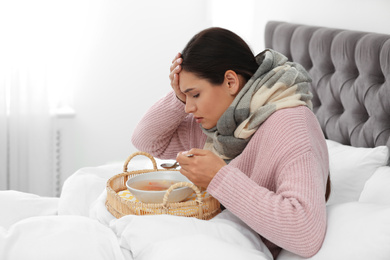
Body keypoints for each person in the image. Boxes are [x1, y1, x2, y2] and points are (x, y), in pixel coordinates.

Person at [131, 27, 330, 259]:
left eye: (195, 95)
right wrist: (177, 97)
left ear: (230, 82)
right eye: (185, 97)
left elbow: (305, 233)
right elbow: (145, 141)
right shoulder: (215, 123)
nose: (188, 108)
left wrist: (219, 177)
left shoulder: (291, 123)